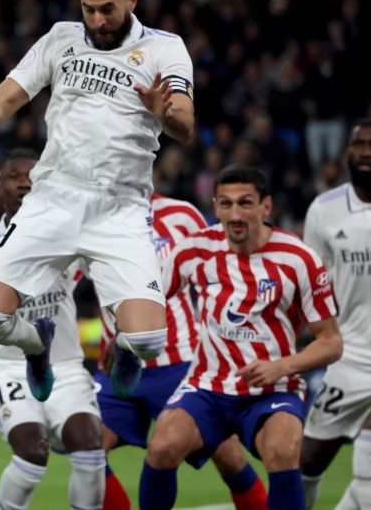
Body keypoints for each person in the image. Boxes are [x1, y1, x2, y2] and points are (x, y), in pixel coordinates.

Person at [0, 0, 195, 403]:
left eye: (108, 9)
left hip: (120, 208)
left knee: (150, 339)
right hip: (53, 200)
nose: (98, 20)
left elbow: (186, 126)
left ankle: (128, 349)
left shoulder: (165, 48)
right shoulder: (61, 38)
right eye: (89, 9)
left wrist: (164, 112)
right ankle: (37, 344)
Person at [138, 165, 343, 510]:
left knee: (282, 450)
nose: (235, 214)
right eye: (226, 204)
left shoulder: (299, 259)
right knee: (162, 447)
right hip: (208, 385)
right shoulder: (195, 249)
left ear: (266, 206)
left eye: (245, 203)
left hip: (272, 388)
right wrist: (127, 335)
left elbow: (331, 342)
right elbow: (150, 296)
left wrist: (282, 366)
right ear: (215, 206)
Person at [0, 149, 105, 510]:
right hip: (6, 369)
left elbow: (107, 282)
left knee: (91, 451)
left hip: (67, 367)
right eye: (15, 176)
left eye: (34, 175)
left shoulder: (68, 240)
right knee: (32, 455)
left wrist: (118, 332)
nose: (25, 182)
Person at [96, 193, 267, 510]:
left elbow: (219, 266)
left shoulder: (181, 214)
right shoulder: (86, 216)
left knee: (228, 456)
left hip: (181, 360)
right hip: (119, 363)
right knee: (87, 447)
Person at [299, 119, 371, 510]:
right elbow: (312, 281)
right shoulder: (324, 210)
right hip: (350, 354)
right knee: (308, 460)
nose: (366, 151)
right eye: (359, 144)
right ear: (347, 153)